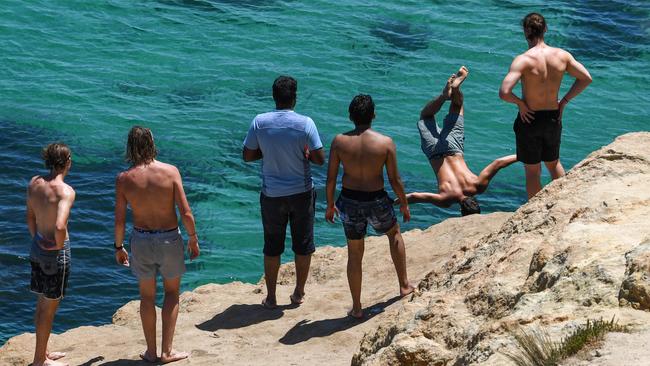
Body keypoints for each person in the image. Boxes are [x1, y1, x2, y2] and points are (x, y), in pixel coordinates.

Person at [114, 126, 200, 364]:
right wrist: (193, 238)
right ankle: (167, 352)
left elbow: (120, 220)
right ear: (152, 143)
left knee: (146, 297)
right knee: (172, 293)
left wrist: (118, 247)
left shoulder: (124, 179)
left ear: (130, 147)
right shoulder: (171, 172)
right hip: (169, 238)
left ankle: (151, 352)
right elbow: (185, 211)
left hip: (140, 239)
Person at [326, 94, 414, 319]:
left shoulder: (339, 142)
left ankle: (356, 307)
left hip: (349, 200)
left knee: (355, 253)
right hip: (376, 199)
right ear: (373, 115)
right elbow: (394, 179)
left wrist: (329, 205)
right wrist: (403, 203)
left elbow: (331, 178)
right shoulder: (385, 143)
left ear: (350, 116)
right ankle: (404, 286)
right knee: (394, 234)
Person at [243, 75, 325, 309]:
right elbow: (319, 159)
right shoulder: (305, 123)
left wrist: (267, 153)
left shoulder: (260, 122)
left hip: (272, 194)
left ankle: (270, 297)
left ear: (274, 97)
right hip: (301, 192)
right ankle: (298, 293)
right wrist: (305, 154)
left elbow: (247, 155)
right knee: (303, 244)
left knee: (272, 246)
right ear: (295, 98)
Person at [500, 12, 592, 199]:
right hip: (553, 116)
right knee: (553, 163)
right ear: (545, 29)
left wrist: (520, 104)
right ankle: (564, 201)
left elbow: (504, 92)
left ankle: (534, 212)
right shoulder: (562, 56)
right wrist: (564, 101)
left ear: (526, 31)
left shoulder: (523, 60)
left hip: (530, 118)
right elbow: (586, 78)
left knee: (533, 171)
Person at [408, 66, 518, 214]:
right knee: (426, 116)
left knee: (457, 105)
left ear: (475, 202)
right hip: (434, 153)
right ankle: (443, 96)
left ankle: (451, 92)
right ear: (461, 209)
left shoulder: (477, 186)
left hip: (454, 148)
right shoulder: (445, 200)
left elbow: (498, 163)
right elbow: (415, 196)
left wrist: (523, 155)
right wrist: (397, 202)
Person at [27, 143, 75, 366]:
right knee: (50, 306)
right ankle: (40, 360)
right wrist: (55, 246)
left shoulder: (35, 183)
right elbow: (59, 226)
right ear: (67, 163)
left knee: (41, 303)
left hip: (36, 248)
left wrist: (39, 240)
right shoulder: (66, 191)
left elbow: (29, 217)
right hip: (55, 254)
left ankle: (42, 352)